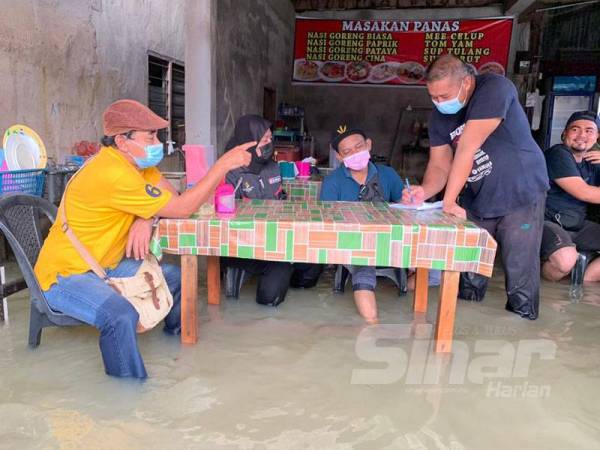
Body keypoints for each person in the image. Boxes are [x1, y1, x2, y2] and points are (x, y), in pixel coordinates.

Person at [34, 99, 254, 378]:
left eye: (157, 135)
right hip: (65, 274)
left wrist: (147, 217)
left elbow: (173, 202)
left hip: (105, 263)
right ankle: (129, 395)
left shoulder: (138, 166)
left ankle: (175, 346)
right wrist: (223, 165)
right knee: (119, 316)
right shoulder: (112, 172)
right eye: (150, 135)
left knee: (174, 277)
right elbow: (184, 208)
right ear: (122, 141)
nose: (157, 142)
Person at [402, 54, 549, 320]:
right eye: (433, 97)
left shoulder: (494, 88)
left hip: (520, 193)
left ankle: (523, 326)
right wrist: (423, 191)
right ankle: (466, 330)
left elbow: (467, 148)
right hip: (477, 197)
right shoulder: (439, 118)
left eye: (444, 95)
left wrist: (447, 202)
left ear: (466, 82)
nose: (439, 103)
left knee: (519, 268)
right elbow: (439, 166)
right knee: (469, 271)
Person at [320, 125, 404, 324]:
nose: (355, 154)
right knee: (364, 268)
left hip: (389, 239)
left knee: (435, 272)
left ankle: (406, 281)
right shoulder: (332, 182)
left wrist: (409, 200)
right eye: (347, 152)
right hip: (356, 244)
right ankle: (372, 326)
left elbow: (406, 210)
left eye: (359, 147)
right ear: (340, 157)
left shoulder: (388, 174)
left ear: (369, 145)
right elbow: (326, 221)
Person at [221, 114, 293, 306]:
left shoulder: (273, 167)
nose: (270, 143)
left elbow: (280, 198)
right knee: (271, 296)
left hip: (272, 239)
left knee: (309, 267)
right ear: (249, 142)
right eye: (265, 139)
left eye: (271, 138)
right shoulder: (230, 171)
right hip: (240, 245)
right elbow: (223, 217)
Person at [541, 111, 600, 282]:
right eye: (575, 129)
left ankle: (582, 286)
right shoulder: (558, 154)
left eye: (589, 131)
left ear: (597, 137)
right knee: (565, 261)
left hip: (578, 225)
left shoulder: (592, 161)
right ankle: (548, 289)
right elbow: (584, 193)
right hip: (548, 222)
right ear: (564, 134)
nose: (582, 135)